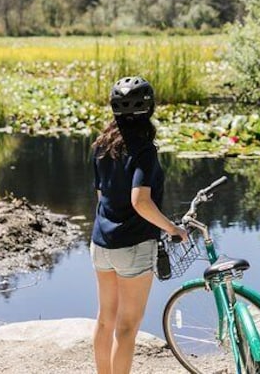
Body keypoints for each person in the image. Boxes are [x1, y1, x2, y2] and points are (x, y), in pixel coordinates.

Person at [90, 76, 188, 374]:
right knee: (128, 327)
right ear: (149, 109)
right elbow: (140, 201)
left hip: (100, 245)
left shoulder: (100, 145)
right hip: (132, 247)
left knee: (106, 319)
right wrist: (173, 229)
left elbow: (101, 195)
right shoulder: (144, 150)